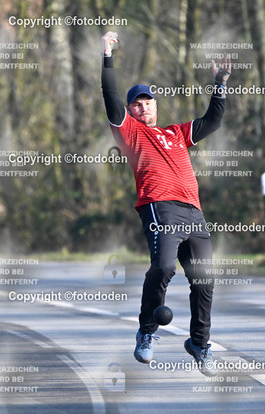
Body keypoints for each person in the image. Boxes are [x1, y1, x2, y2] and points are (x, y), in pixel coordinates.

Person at [101, 31, 230, 376]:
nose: (143, 107)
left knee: (204, 279)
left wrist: (220, 84)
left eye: (148, 101)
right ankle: (146, 332)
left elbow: (213, 120)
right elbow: (110, 95)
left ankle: (199, 344)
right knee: (164, 267)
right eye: (137, 103)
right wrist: (107, 56)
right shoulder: (129, 132)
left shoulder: (176, 133)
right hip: (160, 206)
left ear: (156, 105)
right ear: (130, 110)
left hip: (194, 211)